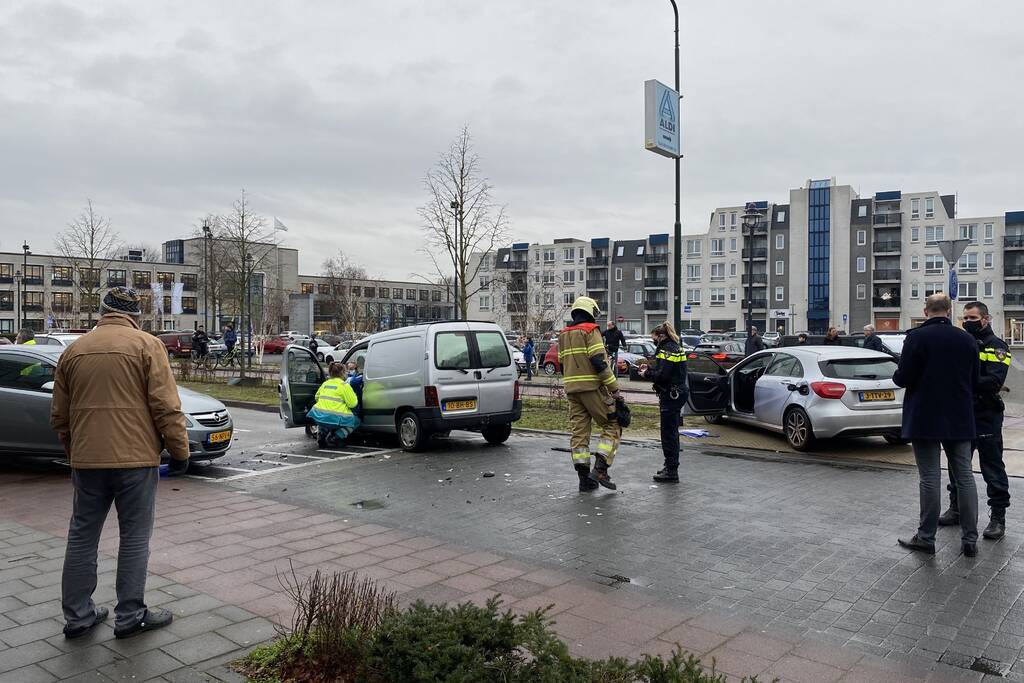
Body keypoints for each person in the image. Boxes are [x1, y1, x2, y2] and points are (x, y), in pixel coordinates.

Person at [51, 286, 188, 640]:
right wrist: (179, 451)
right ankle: (130, 616)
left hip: (87, 460)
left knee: (81, 536)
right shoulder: (147, 345)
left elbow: (60, 416)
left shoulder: (74, 350)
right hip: (136, 460)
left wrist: (75, 451)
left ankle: (78, 616)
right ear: (134, 314)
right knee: (134, 537)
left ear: (102, 311)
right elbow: (166, 407)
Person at [893, 293, 980, 557]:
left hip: (925, 417)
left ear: (925, 310)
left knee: (930, 477)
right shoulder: (966, 339)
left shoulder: (917, 338)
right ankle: (970, 539)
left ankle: (926, 538)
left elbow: (903, 378)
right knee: (964, 476)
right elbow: (975, 380)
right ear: (949, 310)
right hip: (959, 416)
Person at [938, 301, 1011, 540]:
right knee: (956, 465)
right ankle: (956, 508)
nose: (967, 322)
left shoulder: (997, 346)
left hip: (985, 414)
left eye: (972, 318)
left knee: (992, 466)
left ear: (985, 319)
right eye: (965, 318)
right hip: (961, 413)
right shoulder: (962, 342)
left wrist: (961, 381)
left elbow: (994, 382)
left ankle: (998, 518)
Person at [559, 297, 622, 492]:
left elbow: (562, 366)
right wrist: (614, 389)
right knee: (613, 425)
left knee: (579, 435)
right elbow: (599, 363)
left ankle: (585, 480)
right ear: (590, 312)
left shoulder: (563, 334)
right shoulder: (590, 331)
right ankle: (601, 470)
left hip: (572, 391)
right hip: (592, 389)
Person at [639, 322, 687, 483]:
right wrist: (650, 369)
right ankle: (670, 466)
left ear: (660, 336)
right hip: (677, 392)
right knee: (672, 432)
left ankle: (672, 471)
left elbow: (663, 376)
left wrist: (647, 374)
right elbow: (667, 371)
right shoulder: (675, 346)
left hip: (671, 395)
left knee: (668, 434)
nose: (653, 341)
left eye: (654, 338)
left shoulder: (666, 349)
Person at [309, 361, 360, 448]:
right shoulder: (344, 386)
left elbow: (317, 397)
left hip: (318, 416)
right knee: (356, 421)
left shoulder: (325, 384)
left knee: (324, 421)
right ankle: (336, 437)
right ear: (343, 372)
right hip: (336, 419)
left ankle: (321, 435)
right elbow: (353, 404)